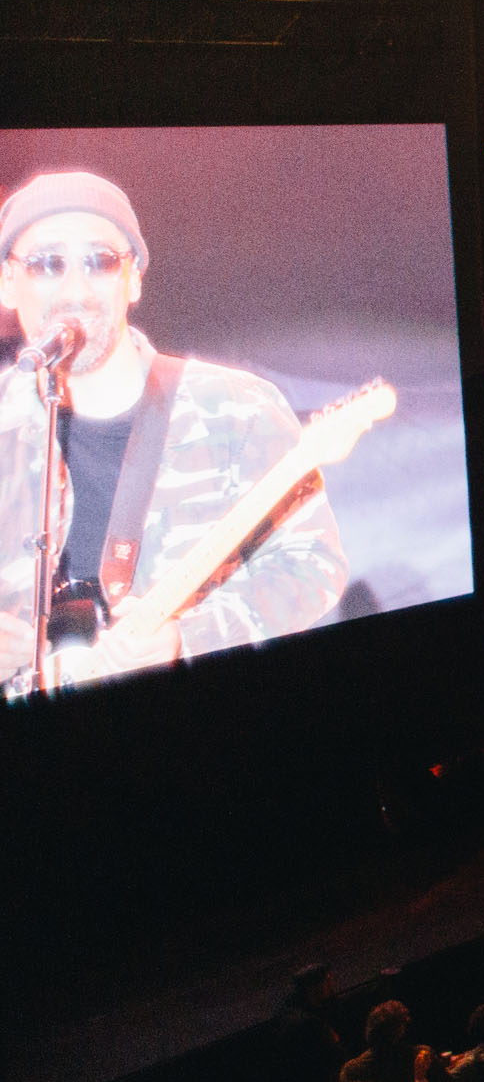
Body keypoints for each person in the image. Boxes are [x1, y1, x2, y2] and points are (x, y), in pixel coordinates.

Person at [0, 166, 350, 695]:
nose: (75, 288)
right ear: (8, 282)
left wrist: (187, 639)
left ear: (134, 277)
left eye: (99, 261)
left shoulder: (236, 409)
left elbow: (311, 565)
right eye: (47, 263)